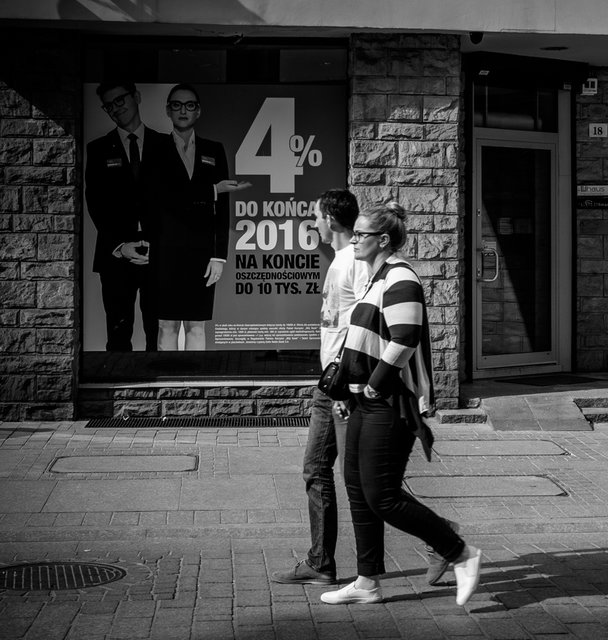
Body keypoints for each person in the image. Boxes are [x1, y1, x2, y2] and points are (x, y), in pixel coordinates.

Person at [319, 202, 482, 606]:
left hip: (390, 404)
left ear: (383, 240)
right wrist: (345, 390)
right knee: (358, 489)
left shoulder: (401, 278)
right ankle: (367, 582)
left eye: (361, 234)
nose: (353, 239)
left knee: (382, 496)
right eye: (354, 233)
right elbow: (359, 339)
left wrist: (375, 385)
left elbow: (405, 338)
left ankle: (460, 552)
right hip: (361, 402)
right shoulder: (375, 278)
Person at [270, 190, 368, 585]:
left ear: (329, 218)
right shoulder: (344, 261)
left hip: (339, 383)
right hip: (334, 381)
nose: (313, 223)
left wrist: (345, 384)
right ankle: (321, 562)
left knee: (340, 473)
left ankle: (440, 540)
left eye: (315, 216)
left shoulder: (351, 263)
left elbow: (363, 324)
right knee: (337, 472)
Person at [145, 83, 250, 351]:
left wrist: (219, 255)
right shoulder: (154, 149)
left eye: (189, 105)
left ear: (198, 111)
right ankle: (167, 384)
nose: (183, 110)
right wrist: (212, 190)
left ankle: (196, 384)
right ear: (168, 110)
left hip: (203, 252)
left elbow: (222, 208)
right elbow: (161, 198)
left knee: (197, 324)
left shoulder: (213, 150)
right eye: (177, 105)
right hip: (164, 249)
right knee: (166, 324)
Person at [85, 82, 163, 351]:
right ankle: (119, 389)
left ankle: (160, 385)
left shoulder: (166, 145)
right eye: (109, 106)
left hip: (159, 255)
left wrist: (163, 245)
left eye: (120, 100)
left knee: (160, 332)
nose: (116, 109)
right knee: (118, 333)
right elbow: (96, 203)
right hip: (117, 255)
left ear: (137, 97)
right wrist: (120, 245)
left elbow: (176, 203)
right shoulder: (97, 149)